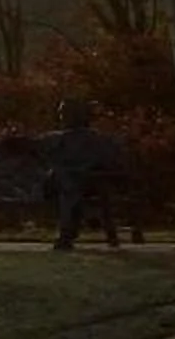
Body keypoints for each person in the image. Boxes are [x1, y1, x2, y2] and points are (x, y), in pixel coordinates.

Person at [39, 99, 125, 251]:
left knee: (68, 184)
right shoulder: (57, 138)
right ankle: (69, 230)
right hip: (67, 184)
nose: (61, 116)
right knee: (66, 182)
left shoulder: (96, 139)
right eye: (61, 113)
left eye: (64, 113)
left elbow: (109, 164)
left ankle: (67, 233)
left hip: (92, 183)